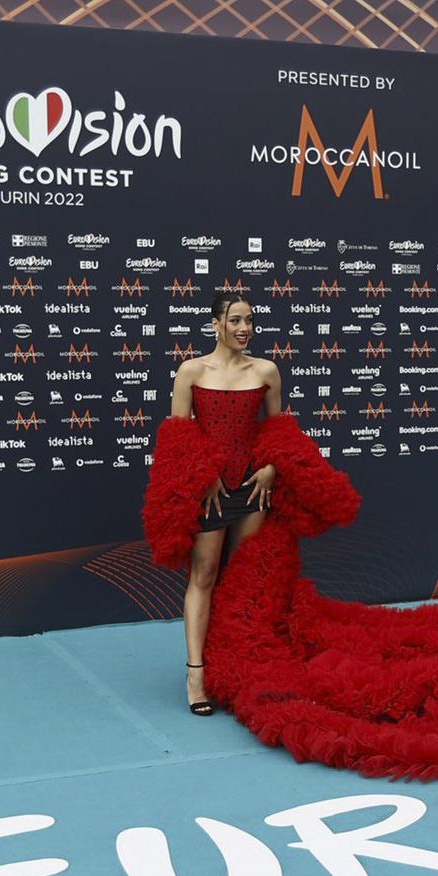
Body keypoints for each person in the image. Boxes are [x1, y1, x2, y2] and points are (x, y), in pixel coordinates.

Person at [169, 292, 282, 715]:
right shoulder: (191, 371)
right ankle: (196, 673)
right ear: (216, 324)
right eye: (235, 320)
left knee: (245, 580)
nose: (244, 328)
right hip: (210, 488)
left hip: (253, 488)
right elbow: (178, 437)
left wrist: (270, 466)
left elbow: (276, 430)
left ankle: (237, 666)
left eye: (249, 320)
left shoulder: (266, 370)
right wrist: (203, 472)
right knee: (205, 573)